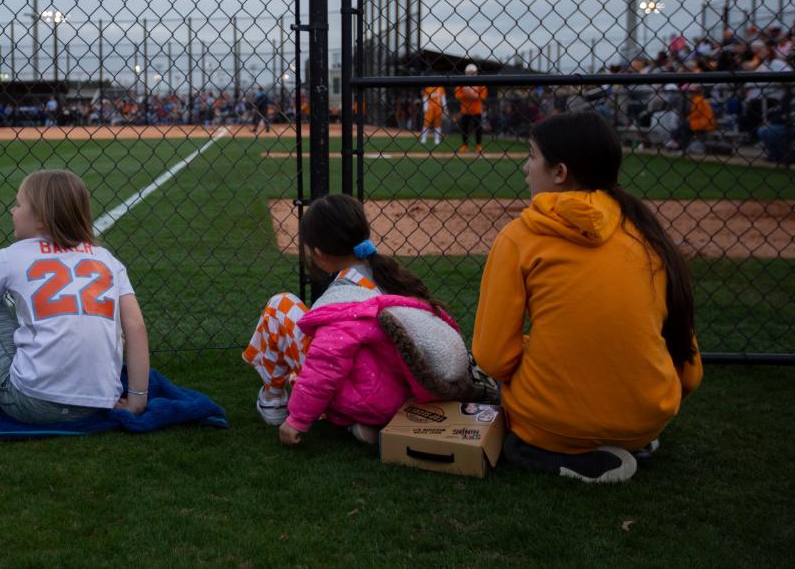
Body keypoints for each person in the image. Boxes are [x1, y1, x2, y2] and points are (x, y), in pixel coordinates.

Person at [473, 112, 702, 483]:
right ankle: (629, 439)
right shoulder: (646, 230)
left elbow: (493, 358)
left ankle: (581, 455)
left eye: (532, 157)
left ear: (559, 173)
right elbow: (687, 367)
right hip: (650, 417)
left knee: (514, 433)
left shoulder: (519, 236)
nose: (525, 169)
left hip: (555, 426)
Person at [0, 169, 151, 422]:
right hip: (98, 404)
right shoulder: (108, 261)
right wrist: (137, 400)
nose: (12, 211)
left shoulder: (10, 256)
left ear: (41, 220)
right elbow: (135, 327)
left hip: (28, 403)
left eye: (19, 204)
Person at [243, 194, 466, 447]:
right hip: (404, 394)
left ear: (319, 253)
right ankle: (361, 423)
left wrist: (297, 420)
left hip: (371, 397)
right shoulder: (389, 276)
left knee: (280, 305)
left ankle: (273, 404)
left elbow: (325, 366)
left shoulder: (342, 299)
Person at [454, 63, 487, 154]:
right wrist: (466, 95)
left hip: (477, 110)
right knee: (464, 129)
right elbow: (457, 95)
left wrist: (473, 95)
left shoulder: (480, 82)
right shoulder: (462, 82)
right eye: (469, 72)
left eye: (473, 72)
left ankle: (478, 146)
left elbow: (483, 96)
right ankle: (465, 146)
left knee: (478, 129)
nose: (471, 74)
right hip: (465, 110)